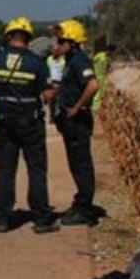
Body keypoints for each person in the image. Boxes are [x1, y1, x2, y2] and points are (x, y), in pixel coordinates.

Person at [0, 16, 59, 234]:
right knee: (36, 170)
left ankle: (1, 219)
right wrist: (57, 89)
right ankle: (42, 220)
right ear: (28, 38)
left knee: (6, 171)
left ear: (8, 36)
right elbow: (46, 94)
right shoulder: (36, 62)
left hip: (4, 121)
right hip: (30, 122)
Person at [53, 19, 101, 226]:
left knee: (81, 165)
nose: (58, 44)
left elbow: (93, 85)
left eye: (62, 41)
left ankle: (84, 208)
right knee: (76, 164)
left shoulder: (79, 60)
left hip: (78, 121)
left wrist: (77, 107)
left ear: (72, 43)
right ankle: (81, 202)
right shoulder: (71, 60)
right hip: (71, 121)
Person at [90, 36, 115, 112]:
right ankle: (95, 109)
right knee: (100, 93)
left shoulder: (98, 55)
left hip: (95, 75)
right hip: (101, 77)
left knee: (97, 92)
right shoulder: (104, 57)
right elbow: (108, 68)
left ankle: (95, 107)